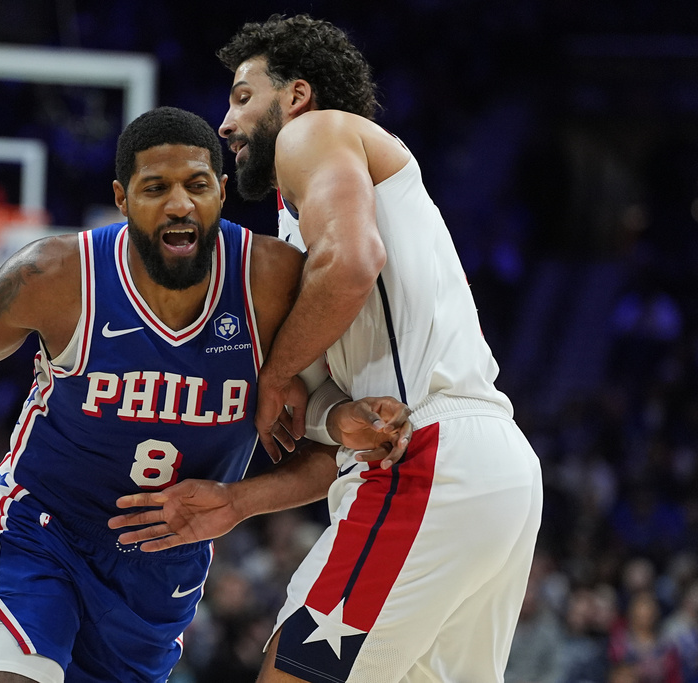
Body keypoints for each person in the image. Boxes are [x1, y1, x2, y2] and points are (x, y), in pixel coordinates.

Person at [0, 106, 412, 683]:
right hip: (39, 532)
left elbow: (330, 433)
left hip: (157, 581)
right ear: (121, 198)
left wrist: (249, 492)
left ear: (221, 190)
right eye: (155, 188)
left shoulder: (271, 283)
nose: (179, 205)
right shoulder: (56, 275)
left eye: (196, 185)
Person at [109, 15, 544, 683]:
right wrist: (241, 500)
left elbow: (351, 262)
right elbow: (348, 438)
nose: (225, 123)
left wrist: (278, 371)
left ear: (299, 96)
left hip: (432, 461)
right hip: (479, 466)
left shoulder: (317, 134)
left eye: (244, 96)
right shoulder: (305, 226)